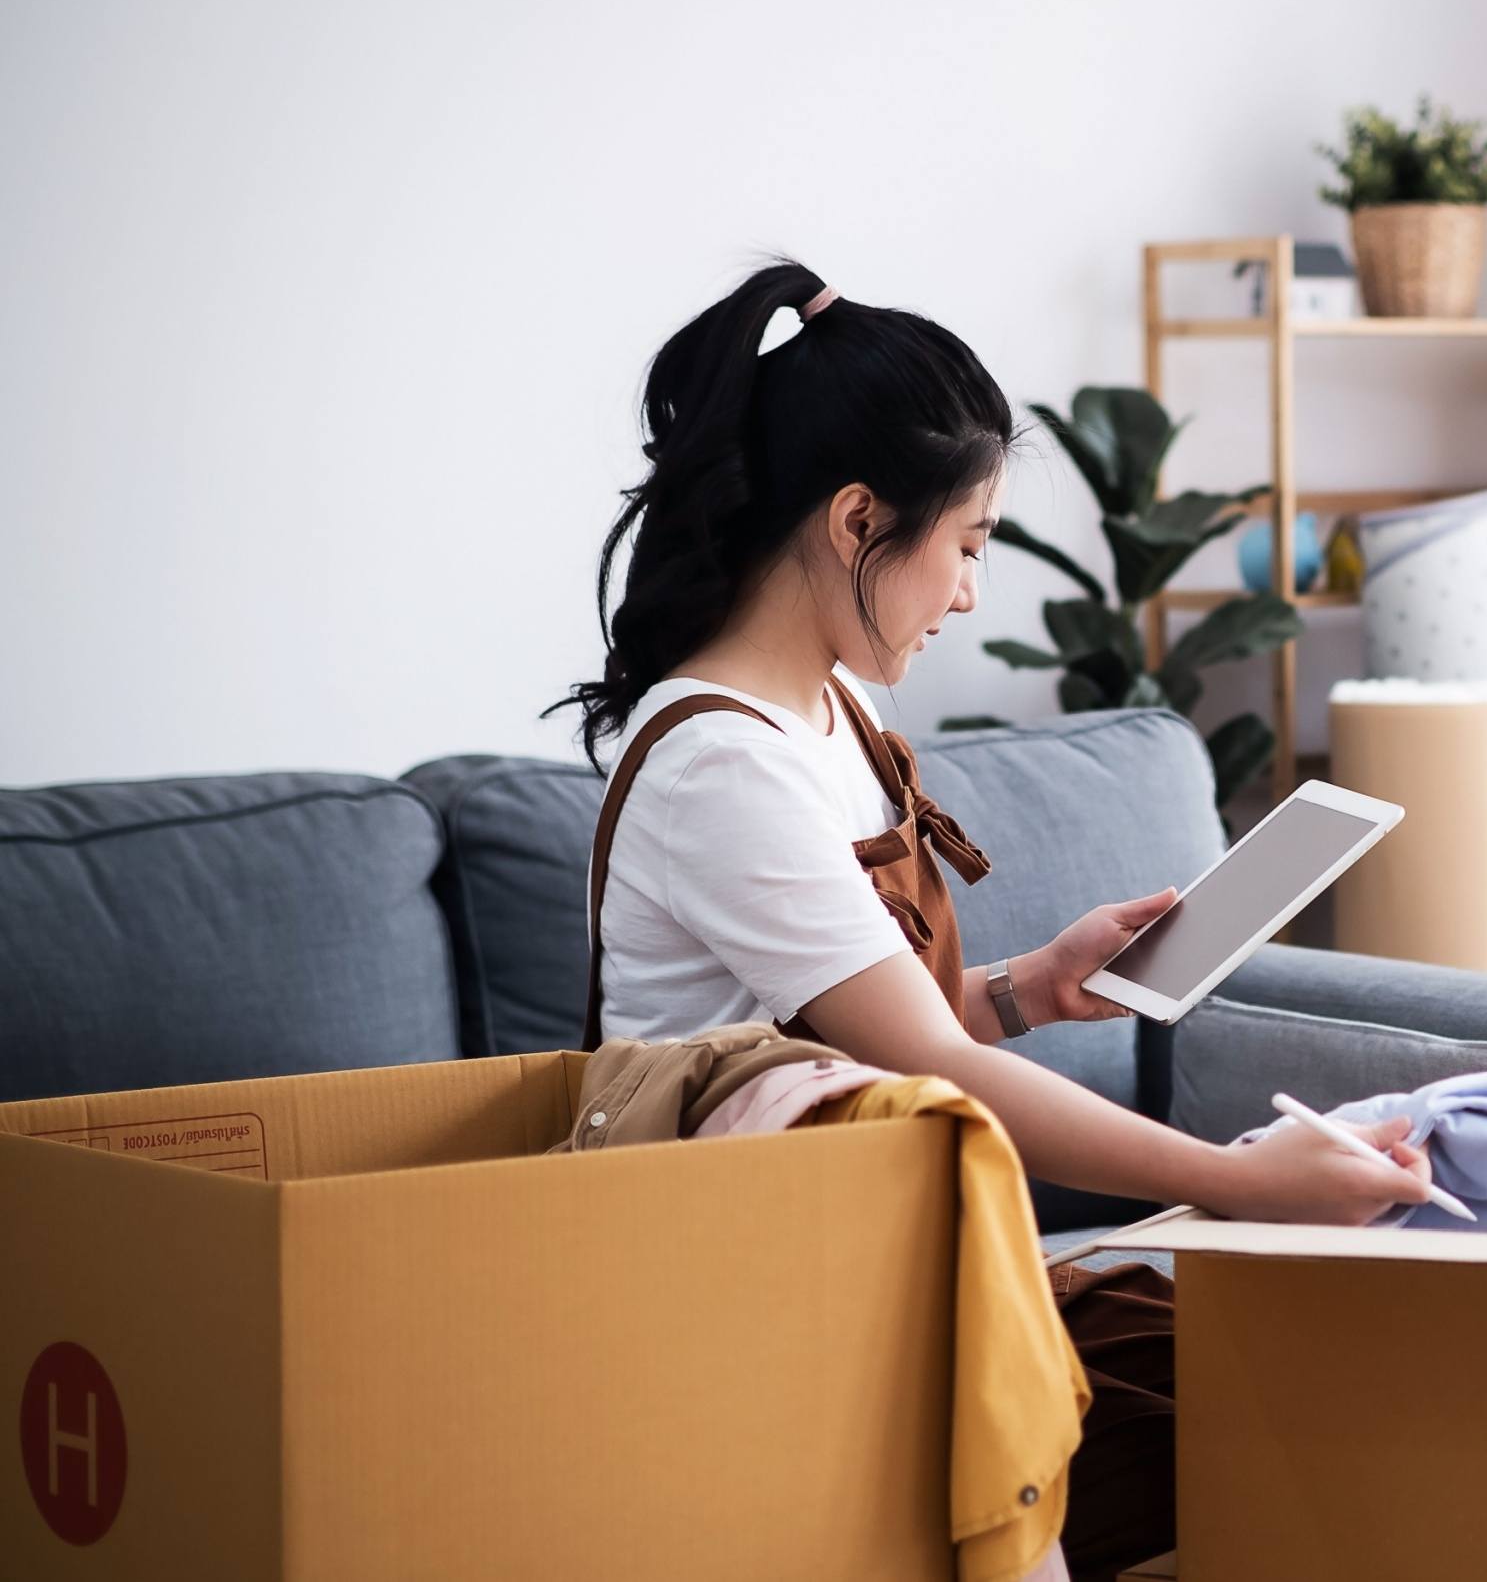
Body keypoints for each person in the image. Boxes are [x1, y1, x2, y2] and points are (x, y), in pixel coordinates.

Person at [554, 260, 1431, 1577]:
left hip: (892, 1249)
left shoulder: (837, 714)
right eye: (965, 546)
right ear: (858, 521)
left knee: (1305, 1390)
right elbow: (930, 1073)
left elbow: (852, 1039)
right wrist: (1242, 1182)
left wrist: (1032, 986)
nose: (969, 592)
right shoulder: (721, 763)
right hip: (766, 1306)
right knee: (1259, 1437)